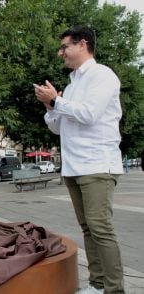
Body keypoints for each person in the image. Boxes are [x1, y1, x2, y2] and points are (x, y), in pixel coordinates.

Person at [34, 25, 124, 294]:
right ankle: (97, 285)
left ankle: (115, 289)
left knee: (100, 227)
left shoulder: (102, 76)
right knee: (88, 228)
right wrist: (51, 106)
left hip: (97, 164)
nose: (60, 53)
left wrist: (58, 102)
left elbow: (89, 114)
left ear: (82, 44)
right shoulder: (72, 86)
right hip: (74, 166)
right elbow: (58, 127)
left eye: (65, 47)